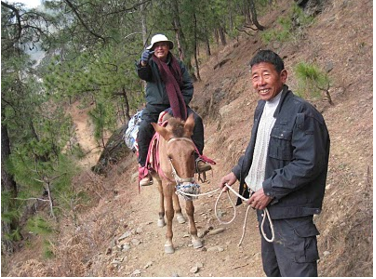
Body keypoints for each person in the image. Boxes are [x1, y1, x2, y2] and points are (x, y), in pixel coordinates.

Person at [218, 50, 330, 277]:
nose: (260, 83)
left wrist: (269, 189)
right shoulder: (262, 108)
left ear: (283, 76)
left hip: (291, 216)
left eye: (266, 75)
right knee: (273, 270)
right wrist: (237, 172)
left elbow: (308, 164)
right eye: (255, 77)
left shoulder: (302, 114)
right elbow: (256, 147)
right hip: (267, 212)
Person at [136, 34, 211, 186]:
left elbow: (187, 87)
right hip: (154, 106)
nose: (160, 48)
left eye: (163, 45)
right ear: (152, 50)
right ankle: (144, 168)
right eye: (156, 46)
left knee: (196, 120)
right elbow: (143, 74)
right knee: (143, 129)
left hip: (177, 105)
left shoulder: (178, 65)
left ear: (168, 47)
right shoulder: (150, 64)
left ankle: (197, 158)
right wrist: (142, 63)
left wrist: (178, 104)